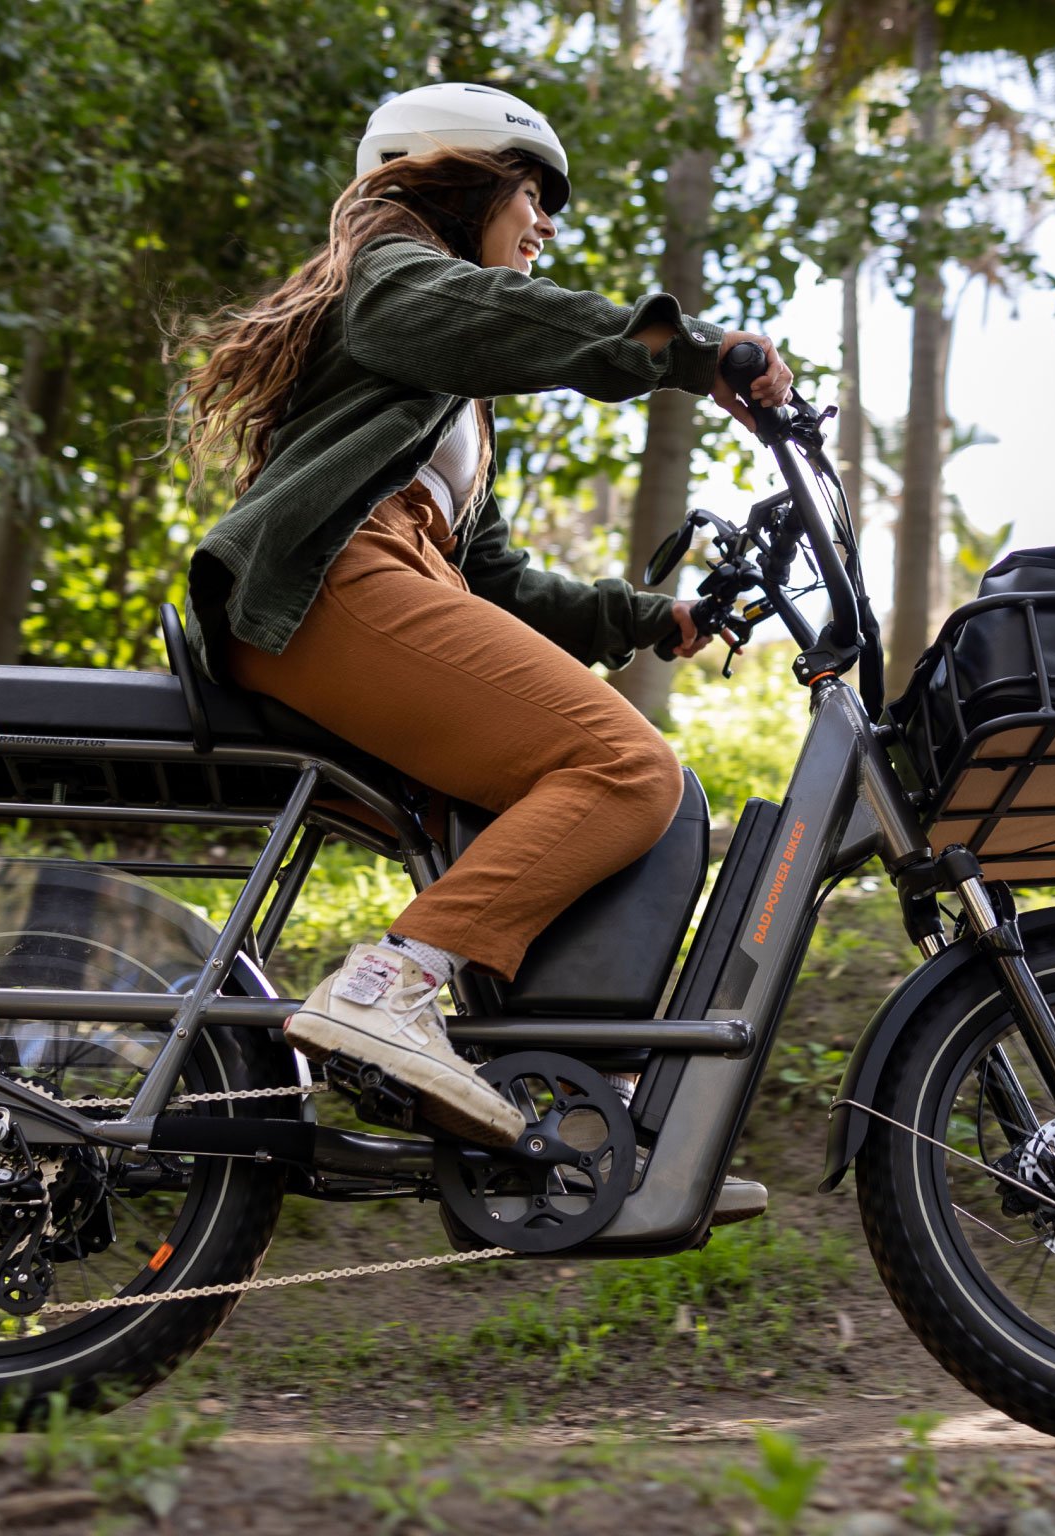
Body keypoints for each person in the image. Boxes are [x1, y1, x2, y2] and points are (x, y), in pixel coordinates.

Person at [172, 82, 792, 1149]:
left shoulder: (443, 388)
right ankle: (387, 986)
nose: (544, 223)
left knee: (622, 788)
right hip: (331, 585)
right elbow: (503, 322)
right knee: (626, 771)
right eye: (528, 193)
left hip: (381, 585)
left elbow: (495, 577)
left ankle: (580, 1080)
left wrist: (651, 621)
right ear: (455, 181)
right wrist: (692, 354)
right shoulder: (392, 279)